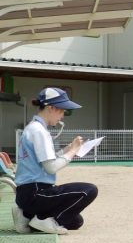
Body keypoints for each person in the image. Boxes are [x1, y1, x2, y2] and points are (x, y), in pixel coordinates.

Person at [13, 87, 98, 235]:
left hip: (28, 194)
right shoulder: (39, 131)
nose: (63, 116)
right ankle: (41, 219)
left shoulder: (33, 128)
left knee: (75, 221)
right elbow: (51, 167)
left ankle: (27, 216)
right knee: (89, 190)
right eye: (62, 110)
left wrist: (68, 149)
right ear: (51, 108)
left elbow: (45, 160)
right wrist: (72, 152)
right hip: (36, 192)